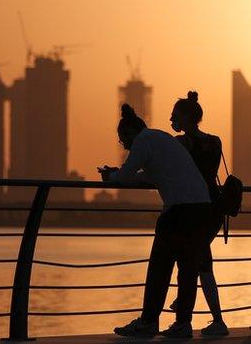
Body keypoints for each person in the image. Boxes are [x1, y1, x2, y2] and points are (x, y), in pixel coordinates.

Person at [99, 103, 214, 339]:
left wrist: (110, 176)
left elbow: (126, 175)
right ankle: (183, 324)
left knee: (159, 267)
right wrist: (120, 174)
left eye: (123, 141)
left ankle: (148, 321)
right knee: (187, 269)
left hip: (179, 211)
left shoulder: (143, 141)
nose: (125, 146)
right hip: (201, 208)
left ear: (129, 134)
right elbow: (146, 176)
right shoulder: (161, 139)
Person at [168, 91, 229, 337]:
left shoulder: (182, 143)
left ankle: (187, 317)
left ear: (185, 117)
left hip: (193, 208)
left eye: (175, 114)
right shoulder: (215, 141)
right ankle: (214, 319)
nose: (172, 118)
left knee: (193, 261)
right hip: (214, 207)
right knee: (202, 262)